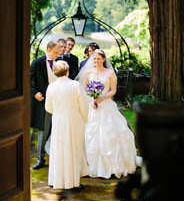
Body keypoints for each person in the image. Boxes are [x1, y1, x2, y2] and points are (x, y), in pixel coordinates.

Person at [80, 49, 138, 178]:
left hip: (106, 105)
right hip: (93, 107)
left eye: (98, 59)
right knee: (91, 133)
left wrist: (102, 97)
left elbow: (113, 90)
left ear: (104, 59)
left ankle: (112, 166)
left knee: (115, 132)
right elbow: (84, 90)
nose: (96, 61)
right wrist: (91, 101)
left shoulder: (110, 73)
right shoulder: (88, 72)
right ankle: (92, 166)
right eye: (94, 59)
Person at [45, 61, 89, 189]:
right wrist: (85, 119)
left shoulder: (51, 87)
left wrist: (58, 112)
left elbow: (48, 107)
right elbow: (83, 106)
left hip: (58, 120)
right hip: (74, 120)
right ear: (68, 71)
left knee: (59, 149)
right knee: (74, 149)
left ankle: (57, 181)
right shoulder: (75, 85)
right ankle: (74, 182)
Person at [31, 40, 62, 170]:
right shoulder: (37, 63)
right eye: (55, 52)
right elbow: (26, 80)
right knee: (43, 131)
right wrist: (34, 93)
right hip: (43, 102)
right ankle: (40, 159)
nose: (57, 54)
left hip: (59, 101)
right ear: (48, 50)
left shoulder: (60, 63)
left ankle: (59, 158)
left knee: (60, 129)